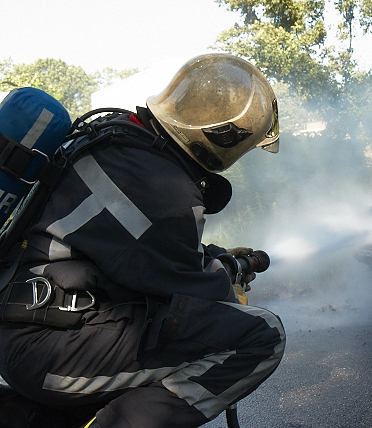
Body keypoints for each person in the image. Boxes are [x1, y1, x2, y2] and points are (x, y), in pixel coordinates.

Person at [0, 53, 285, 428]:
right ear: (224, 139)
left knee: (150, 326)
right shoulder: (164, 191)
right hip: (46, 352)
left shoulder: (119, 138)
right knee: (260, 335)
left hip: (31, 330)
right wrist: (226, 278)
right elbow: (199, 292)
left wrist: (213, 257)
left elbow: (134, 251)